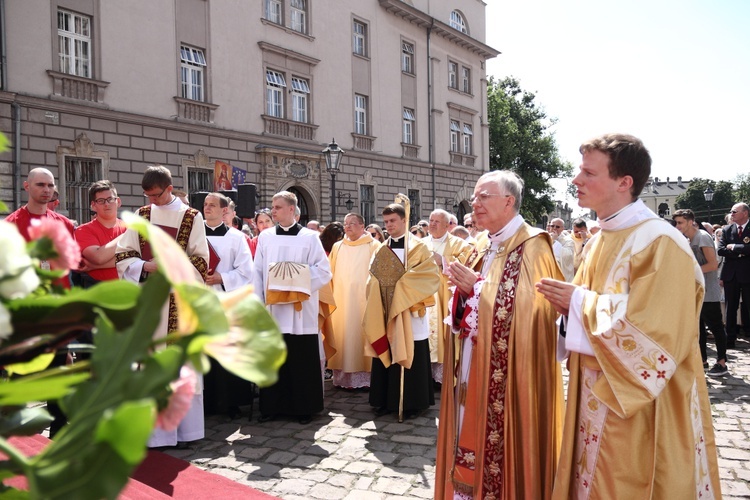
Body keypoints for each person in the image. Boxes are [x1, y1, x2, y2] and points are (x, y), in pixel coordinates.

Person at [536, 133, 720, 498]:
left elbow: (658, 332)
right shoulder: (599, 240)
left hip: (640, 405)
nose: (576, 180)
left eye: (588, 173)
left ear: (624, 182)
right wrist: (569, 308)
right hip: (593, 391)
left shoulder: (659, 242)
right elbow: (582, 304)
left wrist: (579, 303)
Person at [434, 171, 564, 499]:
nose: (474, 204)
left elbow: (534, 312)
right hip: (475, 362)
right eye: (475, 197)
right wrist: (466, 293)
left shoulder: (533, 245)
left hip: (512, 374)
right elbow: (477, 299)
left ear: (508, 201)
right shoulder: (485, 244)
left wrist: (475, 289)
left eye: (483, 197)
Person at [116, 165, 209, 448]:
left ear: (169, 188)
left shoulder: (192, 217)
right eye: (147, 195)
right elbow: (124, 253)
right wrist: (145, 265)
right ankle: (157, 434)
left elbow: (201, 259)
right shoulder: (142, 216)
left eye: (156, 195)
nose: (151, 201)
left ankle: (188, 432)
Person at [6, 167, 77, 438]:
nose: (46, 190)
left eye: (50, 185)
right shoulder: (11, 225)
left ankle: (59, 434)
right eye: (40, 185)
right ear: (27, 186)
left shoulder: (65, 224)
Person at [252, 191, 332, 425]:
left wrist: (295, 279)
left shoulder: (309, 237)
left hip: (300, 309)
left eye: (277, 207)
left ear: (291, 210)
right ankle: (271, 406)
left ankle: (303, 407)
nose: (273, 211)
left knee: (301, 358)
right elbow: (257, 272)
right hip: (273, 309)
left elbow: (324, 271)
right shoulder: (265, 237)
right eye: (273, 207)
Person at [364, 202, 439, 420]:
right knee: (386, 348)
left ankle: (414, 402)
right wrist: (378, 286)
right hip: (385, 309)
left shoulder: (419, 247)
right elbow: (372, 277)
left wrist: (402, 288)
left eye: (392, 221)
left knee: (411, 350)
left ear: (404, 220)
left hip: (409, 310)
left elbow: (429, 276)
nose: (388, 226)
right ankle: (383, 399)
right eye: (385, 222)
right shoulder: (381, 248)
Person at [201, 192, 255, 418]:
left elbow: (247, 271)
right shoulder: (193, 235)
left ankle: (231, 402)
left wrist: (221, 279)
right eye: (205, 204)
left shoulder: (236, 237)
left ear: (224, 211)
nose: (207, 208)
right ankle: (205, 401)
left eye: (212, 205)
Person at [325, 213, 380, 389]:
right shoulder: (338, 246)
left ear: (362, 226)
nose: (347, 227)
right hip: (341, 300)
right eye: (345, 224)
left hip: (364, 300)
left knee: (360, 335)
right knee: (343, 334)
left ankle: (364, 379)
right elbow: (329, 272)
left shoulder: (374, 245)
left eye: (352, 224)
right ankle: (342, 378)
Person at [673, 209, 728, 376]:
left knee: (716, 327)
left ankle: (722, 362)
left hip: (708, 291)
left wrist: (687, 273)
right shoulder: (690, 239)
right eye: (676, 223)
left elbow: (712, 264)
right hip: (695, 291)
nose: (677, 226)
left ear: (691, 222)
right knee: (698, 328)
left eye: (680, 222)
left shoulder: (702, 237)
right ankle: (702, 361)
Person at [425, 209, 471, 385]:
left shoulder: (460, 245)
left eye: (437, 221)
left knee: (445, 336)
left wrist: (443, 261)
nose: (433, 224)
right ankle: (425, 372)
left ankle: (444, 376)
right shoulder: (420, 243)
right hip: (425, 296)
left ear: (447, 225)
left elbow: (467, 265)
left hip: (446, 296)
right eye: (431, 220)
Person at [74, 180, 127, 287]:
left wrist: (95, 266)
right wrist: (128, 235)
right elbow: (98, 258)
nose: (107, 204)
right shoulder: (83, 230)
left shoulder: (128, 227)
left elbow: (137, 259)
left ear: (118, 202)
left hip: (127, 290)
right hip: (97, 290)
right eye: (101, 200)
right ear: (93, 205)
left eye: (110, 199)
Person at [718, 202, 750, 349]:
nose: (732, 214)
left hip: (747, 273)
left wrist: (735, 247)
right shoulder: (727, 229)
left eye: (734, 212)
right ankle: (730, 338)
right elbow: (721, 250)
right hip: (731, 274)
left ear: (745, 213)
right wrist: (743, 252)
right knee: (731, 307)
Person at [548, 217, 575, 282]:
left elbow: (568, 255)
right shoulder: (544, 238)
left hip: (561, 275)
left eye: (557, 227)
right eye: (552, 226)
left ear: (563, 228)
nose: (554, 228)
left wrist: (554, 242)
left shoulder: (568, 241)